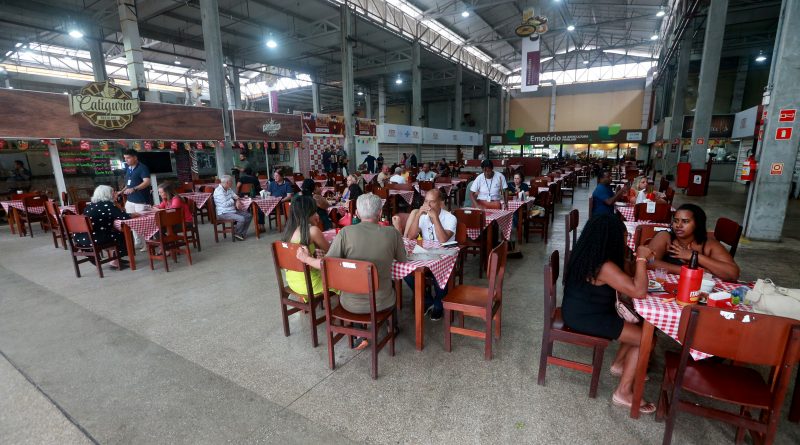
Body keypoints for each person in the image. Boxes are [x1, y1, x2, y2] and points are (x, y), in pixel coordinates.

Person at [561, 214, 655, 414]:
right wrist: (641, 257)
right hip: (586, 317)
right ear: (611, 238)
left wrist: (633, 260)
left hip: (581, 310)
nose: (625, 240)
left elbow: (626, 274)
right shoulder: (603, 266)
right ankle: (623, 392)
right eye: (623, 236)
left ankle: (620, 364)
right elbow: (639, 291)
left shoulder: (590, 254)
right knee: (646, 339)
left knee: (640, 327)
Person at [296, 193, 408, 314]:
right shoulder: (392, 233)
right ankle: (391, 326)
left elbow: (326, 264)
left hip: (350, 303)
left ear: (357, 213)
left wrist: (306, 258)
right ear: (380, 213)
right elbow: (403, 259)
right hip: (383, 302)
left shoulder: (345, 232)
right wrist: (398, 230)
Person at [398, 189, 457, 320]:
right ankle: (427, 300)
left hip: (445, 258)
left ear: (440, 203)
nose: (428, 205)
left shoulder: (450, 218)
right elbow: (411, 236)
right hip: (425, 255)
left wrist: (435, 218)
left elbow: (443, 240)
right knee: (406, 271)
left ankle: (438, 304)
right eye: (426, 201)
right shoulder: (423, 217)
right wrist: (418, 215)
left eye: (432, 202)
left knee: (438, 274)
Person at [646, 204, 740, 281]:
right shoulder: (665, 237)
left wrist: (695, 256)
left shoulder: (708, 245)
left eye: (685, 221)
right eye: (675, 221)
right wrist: (688, 271)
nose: (678, 225)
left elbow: (733, 274)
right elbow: (648, 261)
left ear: (698, 224)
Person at [282, 195, 331, 298]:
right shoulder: (312, 231)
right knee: (341, 275)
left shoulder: (287, 232)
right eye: (314, 212)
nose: (317, 215)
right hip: (311, 284)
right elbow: (332, 252)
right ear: (308, 213)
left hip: (293, 282)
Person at [74, 185, 131, 269]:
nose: (115, 193)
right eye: (113, 192)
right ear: (107, 194)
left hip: (80, 237)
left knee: (113, 232)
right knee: (122, 234)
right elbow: (125, 217)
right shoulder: (107, 205)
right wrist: (116, 203)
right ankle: (114, 261)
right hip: (93, 238)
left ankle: (115, 258)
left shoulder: (90, 205)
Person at [122, 149, 151, 249]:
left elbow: (147, 182)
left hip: (141, 200)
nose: (126, 160)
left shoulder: (143, 168)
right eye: (125, 158)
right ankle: (138, 242)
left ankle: (147, 243)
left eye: (128, 158)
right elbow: (128, 184)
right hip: (130, 200)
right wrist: (121, 191)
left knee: (143, 223)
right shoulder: (128, 168)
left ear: (135, 157)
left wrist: (134, 189)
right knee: (132, 222)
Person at [213, 175, 252, 241]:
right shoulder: (219, 191)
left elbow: (235, 196)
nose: (232, 183)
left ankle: (241, 233)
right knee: (241, 219)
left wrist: (237, 200)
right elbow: (225, 204)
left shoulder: (228, 189)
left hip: (232, 211)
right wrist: (233, 200)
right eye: (231, 182)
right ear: (228, 182)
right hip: (223, 213)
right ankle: (237, 233)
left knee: (248, 215)